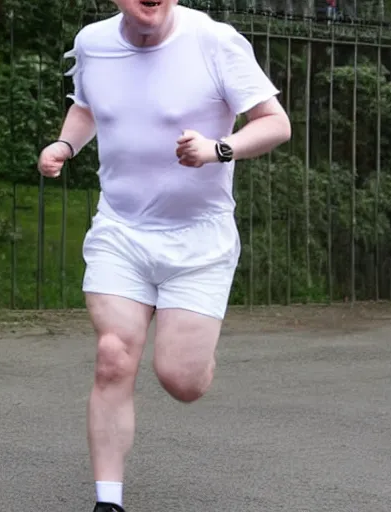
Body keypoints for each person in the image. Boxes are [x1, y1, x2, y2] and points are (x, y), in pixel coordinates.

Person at [38, 1, 291, 511]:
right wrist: (66, 145)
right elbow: (87, 107)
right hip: (122, 231)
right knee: (113, 356)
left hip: (199, 240)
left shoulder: (214, 40)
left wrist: (220, 148)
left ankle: (196, 349)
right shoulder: (93, 43)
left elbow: (275, 122)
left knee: (182, 381)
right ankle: (108, 501)